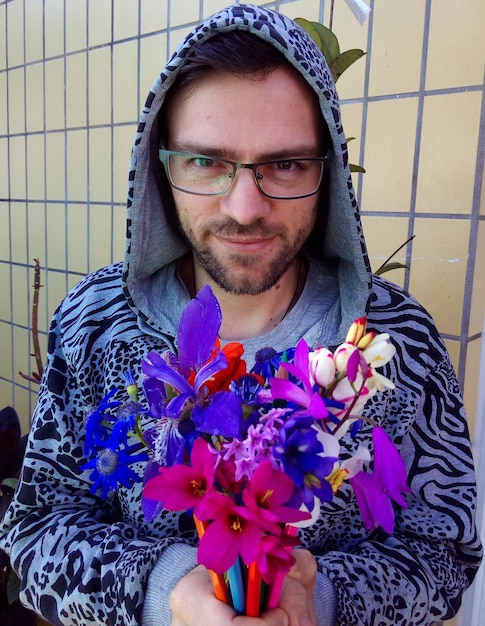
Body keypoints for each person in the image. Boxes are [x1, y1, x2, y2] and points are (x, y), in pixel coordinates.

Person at [0, 4, 482, 626]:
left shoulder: (395, 343)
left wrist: (324, 599)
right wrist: (167, 591)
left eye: (285, 163)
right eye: (206, 162)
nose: (246, 207)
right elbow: (37, 526)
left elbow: (445, 549)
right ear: (161, 170)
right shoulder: (95, 323)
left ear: (326, 173)